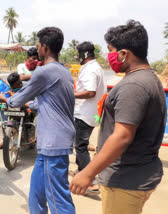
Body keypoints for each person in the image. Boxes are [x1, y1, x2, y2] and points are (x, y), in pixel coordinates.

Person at [70, 20, 166, 214]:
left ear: (124, 54)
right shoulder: (149, 78)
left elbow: (122, 136)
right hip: (140, 173)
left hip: (125, 180)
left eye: (111, 51)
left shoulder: (133, 86)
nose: (109, 56)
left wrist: (87, 173)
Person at [0, 27, 75, 214]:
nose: (36, 49)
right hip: (53, 142)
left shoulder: (43, 72)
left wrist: (5, 98)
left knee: (58, 200)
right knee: (37, 195)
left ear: (45, 48)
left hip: (53, 143)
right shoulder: (64, 71)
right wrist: (31, 104)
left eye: (38, 45)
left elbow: (17, 99)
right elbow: (49, 103)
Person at [72, 41, 106, 194]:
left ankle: (90, 180)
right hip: (91, 113)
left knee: (80, 146)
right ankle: (80, 170)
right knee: (80, 144)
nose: (78, 57)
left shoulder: (91, 69)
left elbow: (90, 92)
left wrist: (71, 94)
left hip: (84, 114)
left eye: (79, 54)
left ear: (85, 54)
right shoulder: (95, 67)